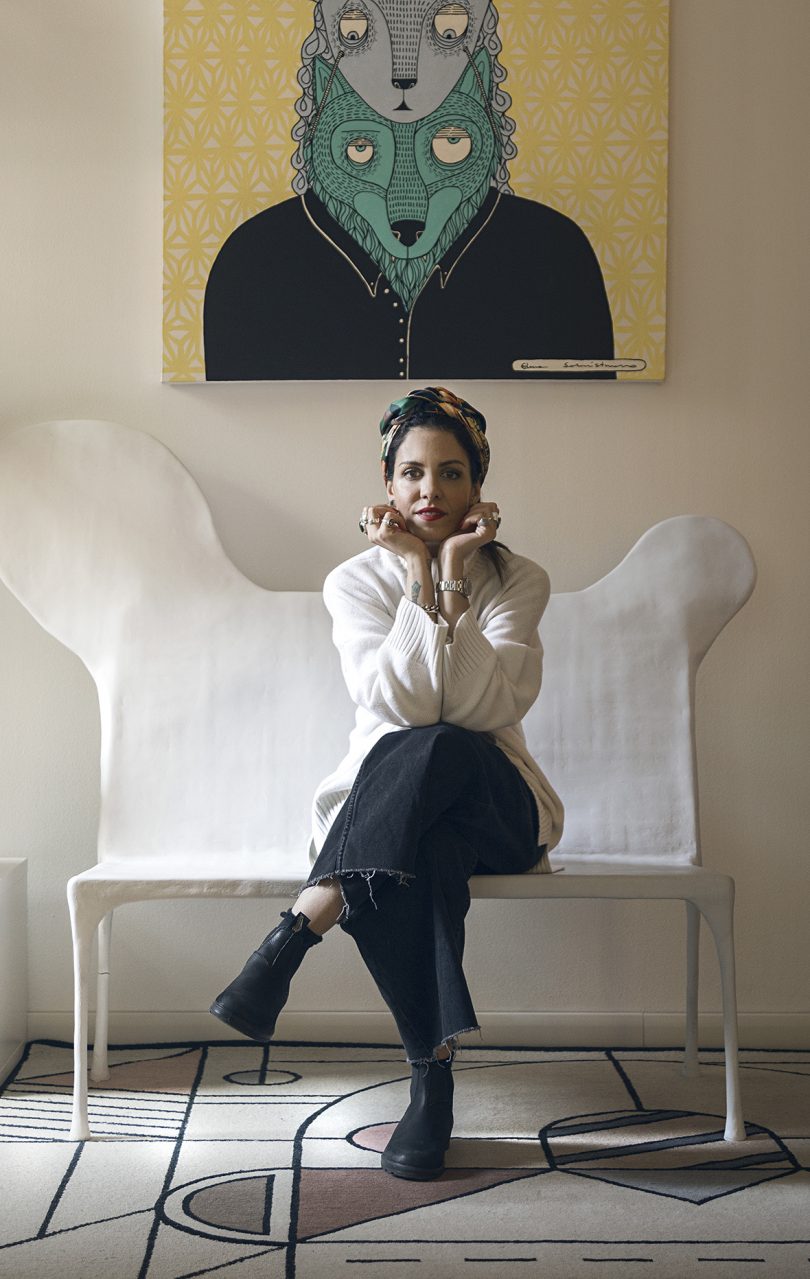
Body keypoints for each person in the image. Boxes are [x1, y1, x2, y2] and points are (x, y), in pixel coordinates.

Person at [209, 386, 563, 1180]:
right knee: (421, 853)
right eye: (412, 473)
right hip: (406, 820)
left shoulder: (520, 579)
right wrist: (412, 572)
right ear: (387, 484)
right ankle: (430, 1087)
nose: (429, 491)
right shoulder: (353, 583)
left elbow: (471, 709)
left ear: (479, 486)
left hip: (500, 803)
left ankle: (303, 923)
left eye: (450, 472)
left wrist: (452, 574)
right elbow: (402, 703)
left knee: (441, 745)